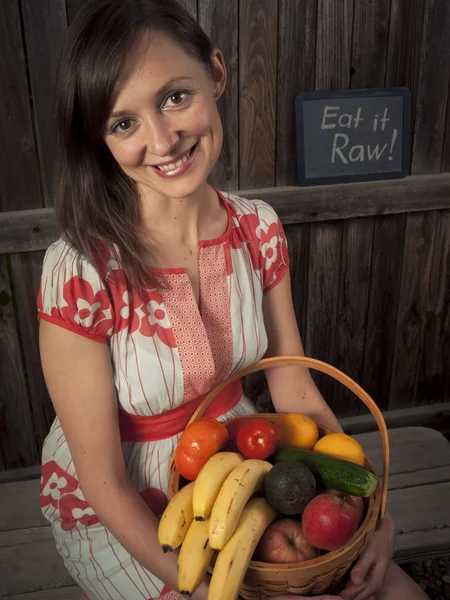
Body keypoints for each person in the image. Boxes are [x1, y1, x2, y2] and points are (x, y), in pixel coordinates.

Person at [37, 1, 429, 599]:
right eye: (123, 123)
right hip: (121, 507)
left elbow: (293, 387)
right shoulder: (80, 270)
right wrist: (212, 589)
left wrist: (373, 513)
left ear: (215, 73)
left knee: (393, 591)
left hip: (238, 449)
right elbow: (105, 483)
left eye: (174, 96)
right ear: (99, 139)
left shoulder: (258, 228)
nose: (163, 141)